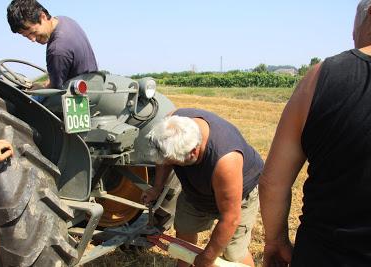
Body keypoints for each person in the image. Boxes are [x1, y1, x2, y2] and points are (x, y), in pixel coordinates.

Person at [259, 1, 371, 266]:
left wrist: (275, 241)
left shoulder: (322, 76)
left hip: (325, 254)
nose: (352, 36)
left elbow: (273, 183)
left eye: (353, 26)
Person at [142, 108, 263, 267]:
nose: (170, 164)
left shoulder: (226, 161)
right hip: (196, 189)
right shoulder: (171, 124)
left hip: (239, 194)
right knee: (184, 233)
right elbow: (164, 160)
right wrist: (156, 188)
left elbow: (230, 218)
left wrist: (207, 258)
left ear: (193, 152)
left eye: (175, 162)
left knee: (234, 253)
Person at [7, 0, 98, 89]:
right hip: (93, 83)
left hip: (74, 92)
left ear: (43, 17)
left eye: (33, 32)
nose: (32, 39)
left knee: (30, 99)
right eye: (26, 36)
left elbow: (54, 88)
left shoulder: (57, 49)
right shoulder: (64, 20)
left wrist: (36, 87)